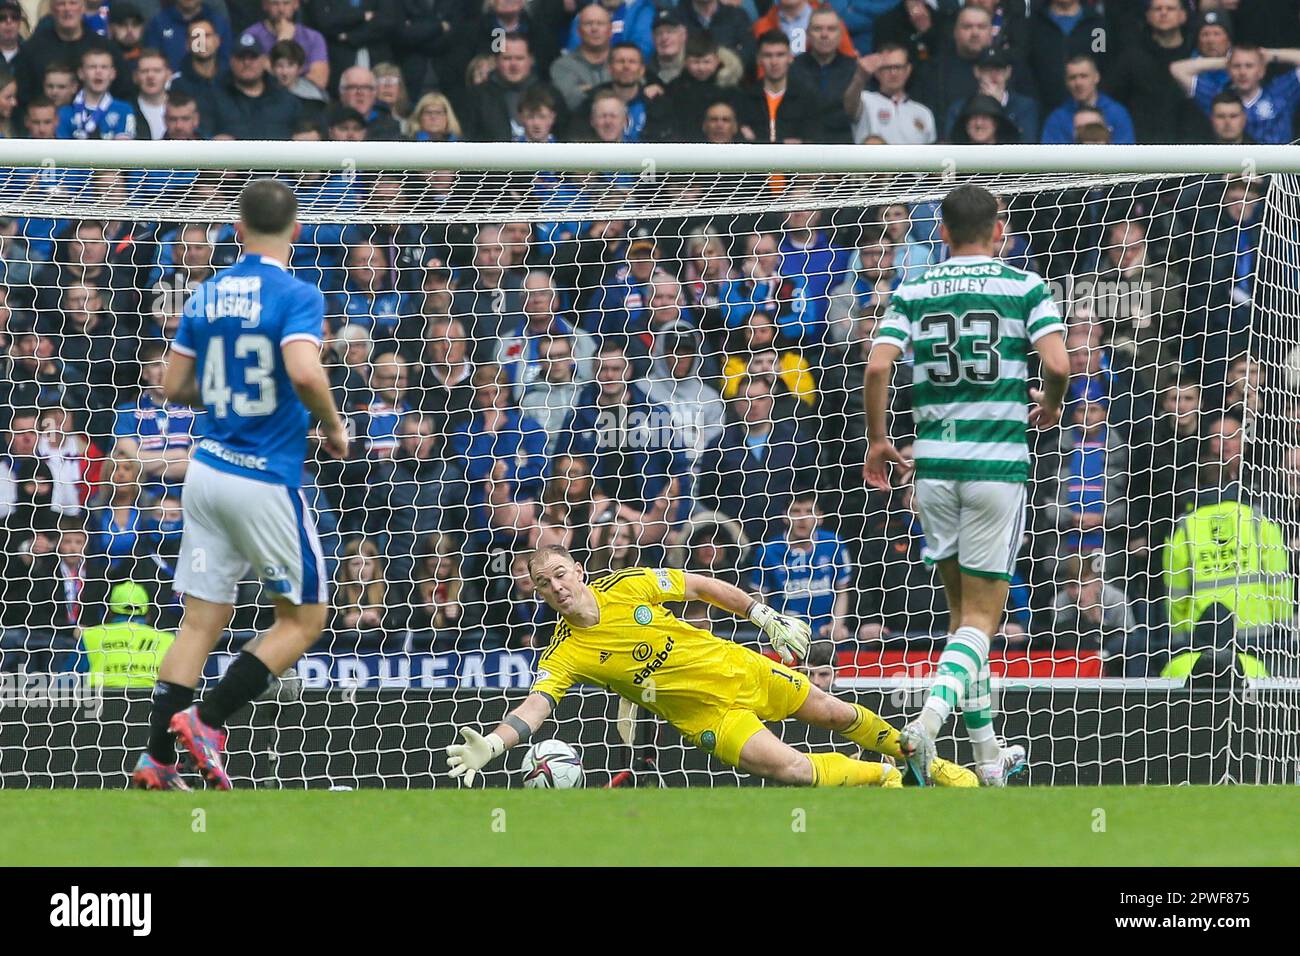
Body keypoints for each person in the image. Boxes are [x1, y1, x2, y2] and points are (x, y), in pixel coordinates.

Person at [131, 179, 349, 791]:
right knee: (304, 619)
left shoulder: (206, 292)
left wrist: (229, 393)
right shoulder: (297, 293)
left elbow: (173, 387)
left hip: (204, 472)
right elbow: (305, 370)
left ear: (237, 231)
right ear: (298, 231)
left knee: (201, 620)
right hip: (262, 477)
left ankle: (156, 759)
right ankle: (208, 718)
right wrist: (331, 424)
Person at [446, 548, 983, 788]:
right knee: (793, 770)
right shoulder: (564, 651)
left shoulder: (628, 585)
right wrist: (494, 744)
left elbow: (701, 585)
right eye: (544, 584)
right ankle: (889, 778)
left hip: (741, 668)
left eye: (561, 574)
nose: (557, 587)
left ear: (578, 571)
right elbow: (537, 706)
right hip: (707, 719)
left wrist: (761, 613)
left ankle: (936, 768)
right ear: (538, 594)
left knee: (839, 715)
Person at [864, 182, 1069, 786]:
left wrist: (880, 439)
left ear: (944, 232)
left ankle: (987, 760)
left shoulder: (916, 287)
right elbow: (1058, 364)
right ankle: (927, 722)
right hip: (995, 467)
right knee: (982, 620)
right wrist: (1050, 403)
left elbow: (878, 365)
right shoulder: (1024, 286)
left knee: (961, 621)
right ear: (998, 231)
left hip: (932, 470)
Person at [80, 582, 177, 688]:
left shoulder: (90, 636)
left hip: (100, 702)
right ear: (148, 613)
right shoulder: (168, 640)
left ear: (109, 612)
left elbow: (67, 682)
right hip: (153, 703)